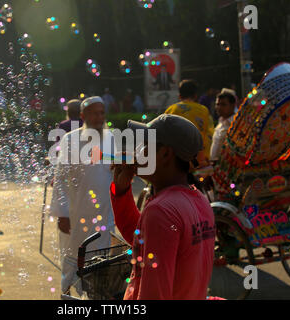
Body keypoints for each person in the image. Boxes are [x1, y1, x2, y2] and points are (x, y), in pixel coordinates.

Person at [110, 114, 215, 299]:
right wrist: (121, 190)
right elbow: (142, 240)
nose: (137, 151)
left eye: (144, 145)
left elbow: (154, 294)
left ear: (165, 153)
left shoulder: (161, 210)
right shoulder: (199, 199)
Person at [50, 96, 115, 295]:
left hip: (104, 211)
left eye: (102, 113)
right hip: (77, 212)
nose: (99, 117)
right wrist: (62, 213)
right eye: (94, 113)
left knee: (102, 259)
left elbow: (112, 173)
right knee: (73, 256)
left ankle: (96, 295)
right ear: (83, 115)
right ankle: (67, 296)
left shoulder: (110, 137)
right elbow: (60, 178)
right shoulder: (71, 139)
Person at [164, 80, 214, 168]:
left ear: (179, 96)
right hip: (198, 161)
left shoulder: (171, 110)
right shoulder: (203, 110)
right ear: (195, 95)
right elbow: (209, 134)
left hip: (176, 162)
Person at [210, 90, 237, 163]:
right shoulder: (220, 123)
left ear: (233, 105)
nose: (219, 107)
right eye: (217, 104)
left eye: (223, 104)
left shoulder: (236, 125)